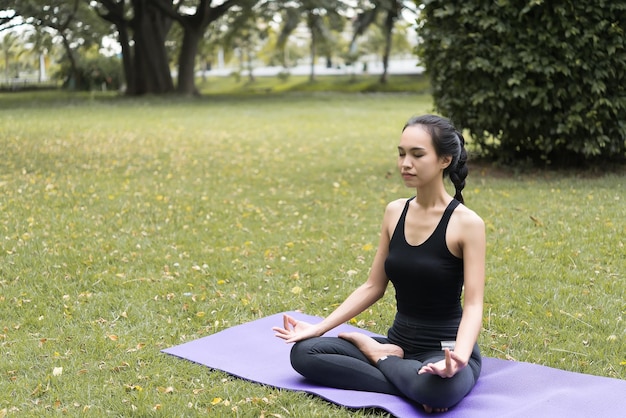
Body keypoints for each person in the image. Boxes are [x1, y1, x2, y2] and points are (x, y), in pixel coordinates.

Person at [273, 114, 486, 413]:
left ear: (445, 160)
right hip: (398, 340)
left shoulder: (467, 224)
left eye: (417, 154)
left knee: (441, 390)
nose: (405, 163)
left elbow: (474, 304)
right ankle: (399, 370)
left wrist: (461, 356)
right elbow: (374, 285)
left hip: (445, 347)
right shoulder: (394, 211)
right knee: (305, 354)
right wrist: (319, 328)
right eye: (401, 154)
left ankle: (382, 358)